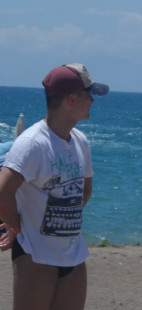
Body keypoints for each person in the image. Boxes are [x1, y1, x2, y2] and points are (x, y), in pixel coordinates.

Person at [0, 63, 109, 310]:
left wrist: (64, 219)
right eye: (88, 95)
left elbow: (85, 190)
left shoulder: (80, 141)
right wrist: (17, 227)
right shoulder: (32, 143)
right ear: (71, 99)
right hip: (35, 255)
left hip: (73, 254)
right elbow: (3, 192)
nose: (92, 100)